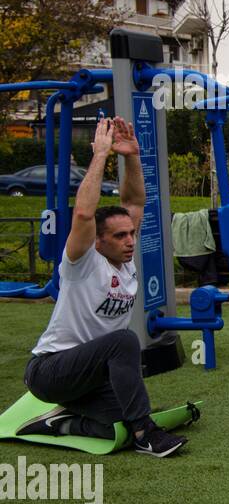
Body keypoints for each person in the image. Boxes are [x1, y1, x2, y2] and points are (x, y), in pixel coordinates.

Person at [23, 117, 188, 457]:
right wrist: (100, 154)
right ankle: (146, 435)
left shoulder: (125, 261)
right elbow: (84, 215)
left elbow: (136, 203)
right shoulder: (82, 262)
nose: (130, 241)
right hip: (50, 371)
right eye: (119, 236)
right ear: (97, 242)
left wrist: (132, 156)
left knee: (119, 420)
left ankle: (61, 423)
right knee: (124, 342)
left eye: (131, 234)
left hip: (88, 376)